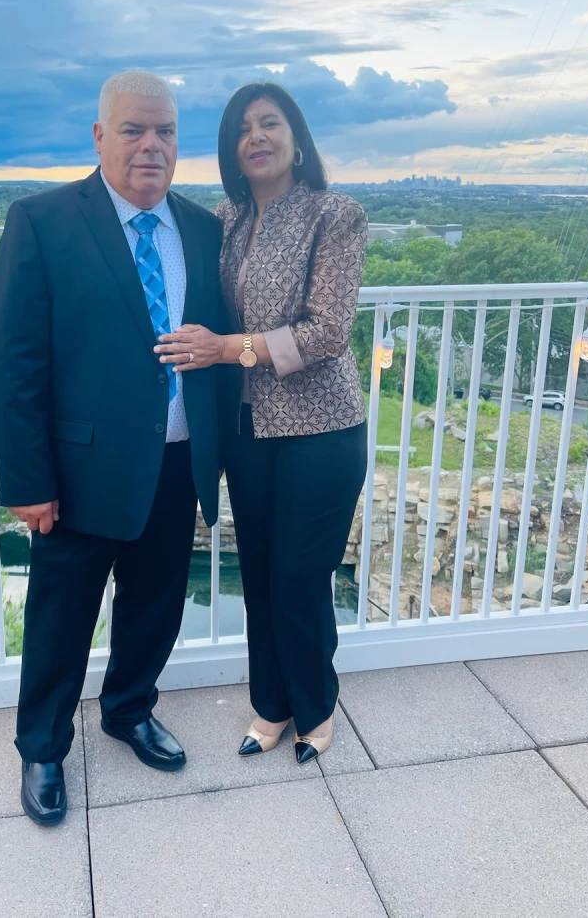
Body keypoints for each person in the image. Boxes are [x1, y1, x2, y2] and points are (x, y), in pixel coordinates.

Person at [0, 71, 226, 826]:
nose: (151, 145)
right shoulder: (42, 221)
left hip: (178, 459)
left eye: (166, 133)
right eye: (133, 130)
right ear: (100, 136)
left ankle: (127, 709)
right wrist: (28, 478)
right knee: (62, 615)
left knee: (156, 604)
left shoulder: (204, 228)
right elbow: (13, 360)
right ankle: (44, 746)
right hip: (78, 471)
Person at [155, 82, 367, 764]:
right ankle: (271, 705)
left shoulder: (334, 215)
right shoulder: (230, 220)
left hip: (321, 429)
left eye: (269, 123)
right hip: (248, 431)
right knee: (259, 575)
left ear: (295, 138)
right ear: (230, 151)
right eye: (241, 128)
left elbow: (329, 331)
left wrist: (228, 348)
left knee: (300, 576)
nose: (256, 136)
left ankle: (316, 704)